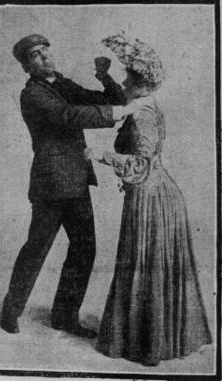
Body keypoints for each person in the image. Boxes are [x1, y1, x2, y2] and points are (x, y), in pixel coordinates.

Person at [0, 34, 148, 338]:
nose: (43, 58)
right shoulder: (33, 94)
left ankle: (64, 317)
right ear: (26, 67)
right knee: (37, 248)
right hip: (51, 183)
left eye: (45, 51)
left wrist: (105, 77)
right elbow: (68, 115)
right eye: (35, 56)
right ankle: (10, 312)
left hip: (76, 179)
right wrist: (116, 115)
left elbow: (111, 101)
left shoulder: (61, 83)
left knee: (84, 248)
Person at [85, 33, 212, 365]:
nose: (125, 82)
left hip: (151, 197)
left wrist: (101, 155)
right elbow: (121, 100)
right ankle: (153, 339)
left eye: (128, 77)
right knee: (150, 267)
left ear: (140, 83)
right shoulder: (144, 103)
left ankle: (147, 344)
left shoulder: (140, 113)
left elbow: (140, 163)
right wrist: (105, 76)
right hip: (157, 192)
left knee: (144, 264)